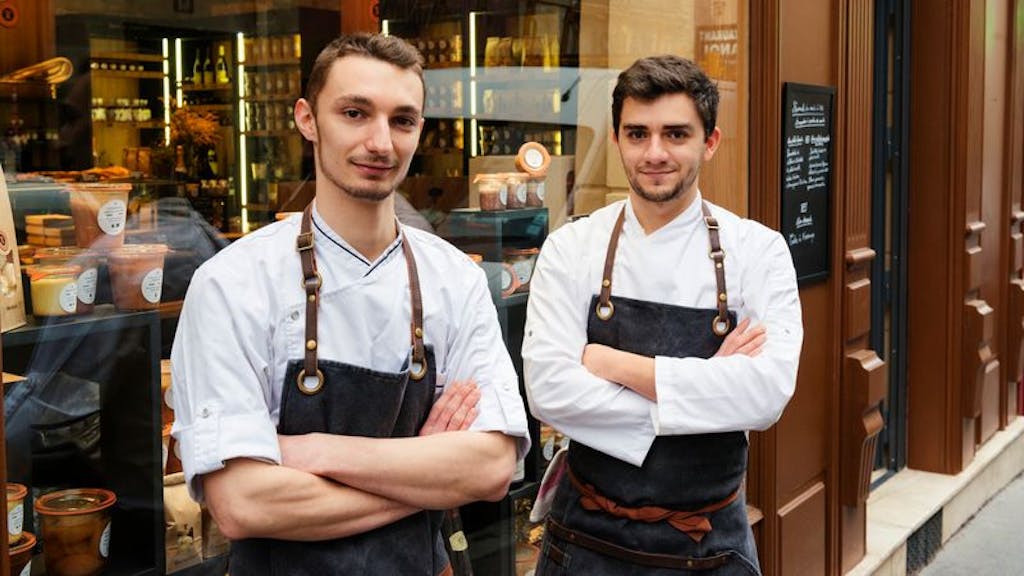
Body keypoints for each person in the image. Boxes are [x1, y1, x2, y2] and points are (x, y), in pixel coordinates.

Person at [170, 33, 530, 575]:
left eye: (402, 120)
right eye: (355, 113)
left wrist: (314, 450)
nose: (380, 142)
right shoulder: (231, 284)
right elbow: (243, 503)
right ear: (307, 119)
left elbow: (491, 469)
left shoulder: (455, 280)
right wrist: (427, 478)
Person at [522, 55, 803, 574]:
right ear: (616, 140)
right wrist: (711, 386)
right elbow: (548, 391)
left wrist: (612, 365)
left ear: (710, 142)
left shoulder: (758, 251)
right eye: (638, 134)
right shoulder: (571, 248)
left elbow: (765, 394)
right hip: (585, 541)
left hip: (708, 545)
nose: (655, 153)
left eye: (676, 134)